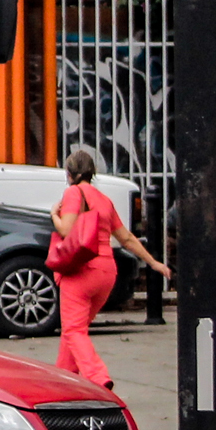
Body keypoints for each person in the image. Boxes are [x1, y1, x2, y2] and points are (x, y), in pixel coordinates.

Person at [50, 146, 165, 389]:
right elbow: (126, 239)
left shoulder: (73, 193)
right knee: (74, 330)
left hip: (81, 271)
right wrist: (153, 262)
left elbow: (66, 230)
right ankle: (63, 380)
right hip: (106, 272)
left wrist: (53, 215)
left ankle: (98, 377)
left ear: (69, 174)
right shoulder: (104, 200)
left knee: (73, 330)